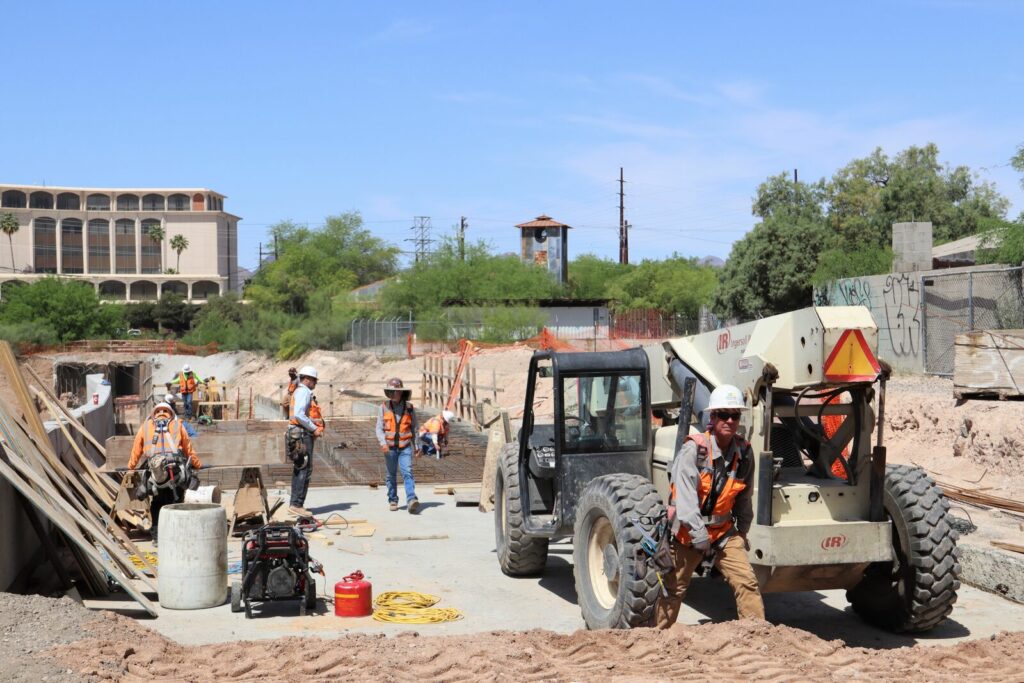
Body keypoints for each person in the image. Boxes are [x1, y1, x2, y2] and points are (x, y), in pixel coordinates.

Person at [655, 384, 765, 628]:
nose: (729, 420)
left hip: (723, 532)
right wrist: (698, 536)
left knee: (747, 582)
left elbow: (743, 499)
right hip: (687, 533)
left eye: (734, 415)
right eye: (723, 415)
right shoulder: (693, 450)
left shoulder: (744, 453)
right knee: (673, 589)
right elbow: (684, 500)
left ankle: (758, 639)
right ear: (712, 418)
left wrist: (743, 532)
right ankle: (659, 639)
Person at [126, 402, 202, 545]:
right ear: (171, 412)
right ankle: (177, 537)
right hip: (176, 472)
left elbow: (136, 449)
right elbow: (188, 448)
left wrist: (131, 467)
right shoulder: (178, 425)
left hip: (155, 474)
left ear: (154, 413)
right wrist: (197, 464)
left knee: (157, 504)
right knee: (176, 503)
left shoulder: (146, 426)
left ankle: (157, 538)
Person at [375, 377, 420, 513]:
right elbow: (379, 428)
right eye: (391, 392)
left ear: (401, 392)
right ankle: (393, 499)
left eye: (396, 391)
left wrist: (417, 446)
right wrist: (383, 443)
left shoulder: (410, 408)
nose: (393, 394)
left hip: (405, 446)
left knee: (408, 472)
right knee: (391, 475)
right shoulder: (383, 407)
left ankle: (411, 499)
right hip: (390, 448)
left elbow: (415, 428)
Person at [287, 365, 324, 517]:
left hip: (298, 433)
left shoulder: (299, 390)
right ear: (307, 379)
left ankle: (295, 504)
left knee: (300, 468)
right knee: (304, 469)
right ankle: (297, 504)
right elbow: (299, 415)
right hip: (302, 434)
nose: (315, 383)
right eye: (314, 380)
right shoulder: (304, 392)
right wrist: (314, 428)